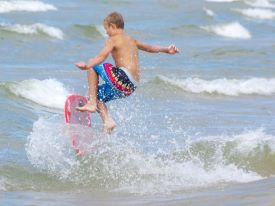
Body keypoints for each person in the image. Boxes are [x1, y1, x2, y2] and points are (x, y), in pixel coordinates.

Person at [75, 11, 179, 133]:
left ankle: (91, 103)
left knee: (93, 66)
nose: (106, 33)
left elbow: (101, 57)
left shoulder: (113, 39)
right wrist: (166, 49)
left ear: (112, 26)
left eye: (106, 29)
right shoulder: (132, 40)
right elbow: (149, 48)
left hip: (123, 78)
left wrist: (87, 65)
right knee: (97, 94)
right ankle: (107, 121)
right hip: (130, 87)